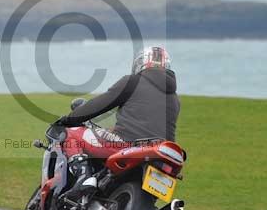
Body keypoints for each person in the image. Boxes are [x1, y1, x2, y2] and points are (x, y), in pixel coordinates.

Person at [55, 45, 180, 199]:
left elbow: (99, 104)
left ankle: (84, 177)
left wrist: (69, 119)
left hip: (127, 146)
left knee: (71, 134)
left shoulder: (132, 82)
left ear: (140, 63)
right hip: (160, 154)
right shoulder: (175, 99)